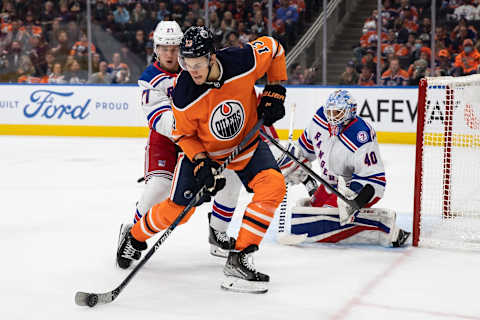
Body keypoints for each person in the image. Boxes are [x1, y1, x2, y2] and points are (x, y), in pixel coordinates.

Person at [117, 26, 288, 293]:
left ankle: (240, 257)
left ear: (212, 57)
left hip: (246, 147)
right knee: (178, 213)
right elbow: (182, 134)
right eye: (186, 64)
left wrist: (276, 87)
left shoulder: (242, 60)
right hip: (205, 153)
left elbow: (275, 48)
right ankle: (135, 237)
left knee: (273, 186)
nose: (191, 70)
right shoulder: (185, 91)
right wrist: (200, 162)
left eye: (196, 64)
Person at [115, 22, 241, 269]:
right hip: (166, 141)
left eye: (174, 48)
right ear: (156, 49)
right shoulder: (150, 79)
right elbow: (162, 121)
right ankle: (133, 234)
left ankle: (218, 231)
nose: (170, 54)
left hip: (200, 138)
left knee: (231, 173)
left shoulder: (197, 67)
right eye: (164, 48)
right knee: (158, 189)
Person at [279, 90, 410, 247]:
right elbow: (304, 150)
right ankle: (361, 222)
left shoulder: (361, 135)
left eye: (337, 112)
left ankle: (386, 228)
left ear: (350, 112)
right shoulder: (320, 119)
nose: (332, 116)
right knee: (308, 213)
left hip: (358, 188)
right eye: (330, 111)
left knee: (321, 222)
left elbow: (375, 181)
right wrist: (293, 163)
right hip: (330, 184)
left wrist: (353, 200)